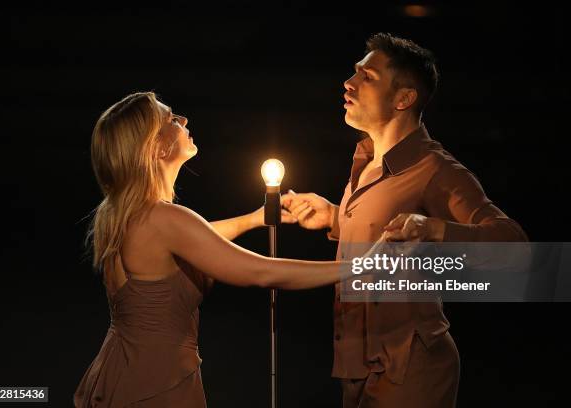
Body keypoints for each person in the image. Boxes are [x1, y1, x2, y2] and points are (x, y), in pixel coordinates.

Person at [282, 33, 528, 407]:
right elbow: (385, 239)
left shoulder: (436, 168)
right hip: (354, 368)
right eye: (354, 73)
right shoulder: (365, 163)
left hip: (409, 370)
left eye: (368, 77)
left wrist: (435, 229)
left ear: (404, 98)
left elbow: (515, 247)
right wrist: (334, 216)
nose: (349, 83)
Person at [73, 91, 361, 408]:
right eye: (171, 119)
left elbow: (197, 241)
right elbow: (260, 271)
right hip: (156, 385)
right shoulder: (165, 218)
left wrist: (254, 219)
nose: (183, 121)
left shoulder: (123, 215)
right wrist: (358, 267)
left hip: (121, 372)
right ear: (156, 147)